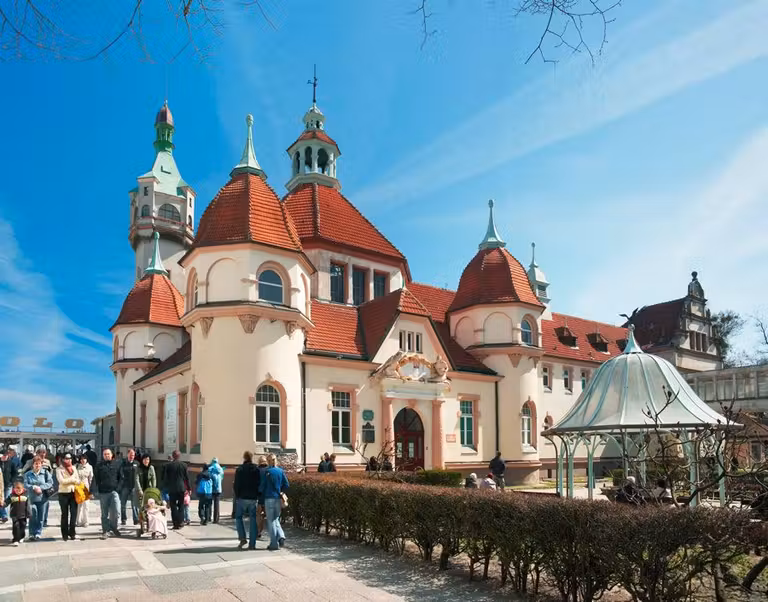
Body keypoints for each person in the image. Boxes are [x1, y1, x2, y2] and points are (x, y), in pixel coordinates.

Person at [260, 453, 289, 551]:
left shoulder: (267, 472)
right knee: (276, 519)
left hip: (268, 498)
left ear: (268, 461)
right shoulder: (280, 471)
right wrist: (281, 491)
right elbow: (286, 484)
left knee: (271, 521)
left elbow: (262, 487)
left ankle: (273, 543)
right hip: (278, 498)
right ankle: (281, 536)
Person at [234, 451, 261, 550]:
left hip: (242, 497)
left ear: (244, 458)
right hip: (253, 498)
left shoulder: (240, 469)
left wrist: (237, 496)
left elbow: (236, 484)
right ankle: (252, 544)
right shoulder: (256, 469)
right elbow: (259, 483)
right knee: (253, 519)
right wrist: (257, 495)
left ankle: (242, 538)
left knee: (238, 517)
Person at [93, 448, 122, 538]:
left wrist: (118, 488)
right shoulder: (99, 466)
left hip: (114, 492)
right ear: (103, 456)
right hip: (103, 492)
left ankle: (114, 527)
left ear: (112, 455)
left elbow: (121, 477)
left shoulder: (117, 464)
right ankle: (105, 530)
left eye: (108, 454)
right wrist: (95, 490)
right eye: (105, 454)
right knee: (104, 513)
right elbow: (95, 479)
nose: (107, 455)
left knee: (116, 511)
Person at [24, 457, 53, 540]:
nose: (37, 465)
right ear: (33, 465)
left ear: (41, 465)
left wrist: (41, 488)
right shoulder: (28, 474)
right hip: (32, 498)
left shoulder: (45, 473)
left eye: (39, 464)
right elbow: (25, 484)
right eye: (36, 464)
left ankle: (38, 532)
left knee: (41, 516)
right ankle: (31, 533)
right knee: (32, 515)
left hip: (43, 498)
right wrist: (33, 487)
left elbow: (50, 483)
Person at [55, 452, 81, 541]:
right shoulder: (59, 469)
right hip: (63, 493)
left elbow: (78, 480)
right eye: (66, 458)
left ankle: (72, 532)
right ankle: (64, 534)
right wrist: (72, 480)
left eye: (70, 458)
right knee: (64, 514)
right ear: (62, 459)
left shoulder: (74, 468)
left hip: (74, 493)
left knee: (74, 514)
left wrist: (73, 481)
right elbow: (61, 481)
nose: (68, 460)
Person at [162, 450, 190, 530]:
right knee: (181, 506)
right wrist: (189, 488)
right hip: (181, 488)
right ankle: (181, 522)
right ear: (179, 456)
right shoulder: (184, 465)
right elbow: (187, 478)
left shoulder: (168, 465)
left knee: (173, 507)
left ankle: (175, 524)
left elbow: (165, 478)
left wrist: (165, 487)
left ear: (173, 456)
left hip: (172, 489)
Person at [4, 480, 29, 546]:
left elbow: (28, 505)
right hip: (14, 514)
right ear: (14, 489)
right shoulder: (12, 496)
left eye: (19, 490)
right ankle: (15, 539)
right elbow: (6, 502)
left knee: (23, 526)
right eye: (16, 490)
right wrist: (3, 504)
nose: (18, 492)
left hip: (23, 515)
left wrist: (29, 513)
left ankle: (22, 536)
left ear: (22, 489)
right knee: (15, 526)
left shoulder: (26, 495)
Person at [119, 448, 140, 526]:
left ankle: (136, 519)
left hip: (134, 486)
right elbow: (120, 474)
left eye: (133, 455)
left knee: (134, 504)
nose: (132, 456)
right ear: (127, 454)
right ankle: (123, 519)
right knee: (123, 504)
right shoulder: (123, 463)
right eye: (131, 455)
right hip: (125, 486)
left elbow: (139, 475)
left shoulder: (137, 463)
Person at [0, 448, 20, 523]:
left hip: (8, 484)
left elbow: (15, 473)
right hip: (0, 485)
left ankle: (4, 515)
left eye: (5, 455)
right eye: (2, 456)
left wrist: (12, 481)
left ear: (8, 455)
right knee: (1, 499)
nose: (4, 457)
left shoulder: (11, 463)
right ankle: (3, 515)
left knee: (6, 500)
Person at [76, 454, 94, 528]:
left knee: (86, 505)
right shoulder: (77, 467)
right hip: (78, 487)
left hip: (86, 487)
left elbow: (91, 479)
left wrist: (91, 491)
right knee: (79, 505)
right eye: (81, 459)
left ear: (86, 460)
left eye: (84, 459)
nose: (82, 460)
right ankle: (78, 521)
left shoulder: (90, 467)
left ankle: (86, 521)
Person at [208, 458, 224, 524]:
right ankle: (216, 519)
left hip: (211, 489)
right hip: (218, 489)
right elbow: (222, 477)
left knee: (209, 503)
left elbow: (209, 478)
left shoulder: (210, 468)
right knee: (217, 504)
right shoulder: (220, 469)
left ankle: (208, 517)